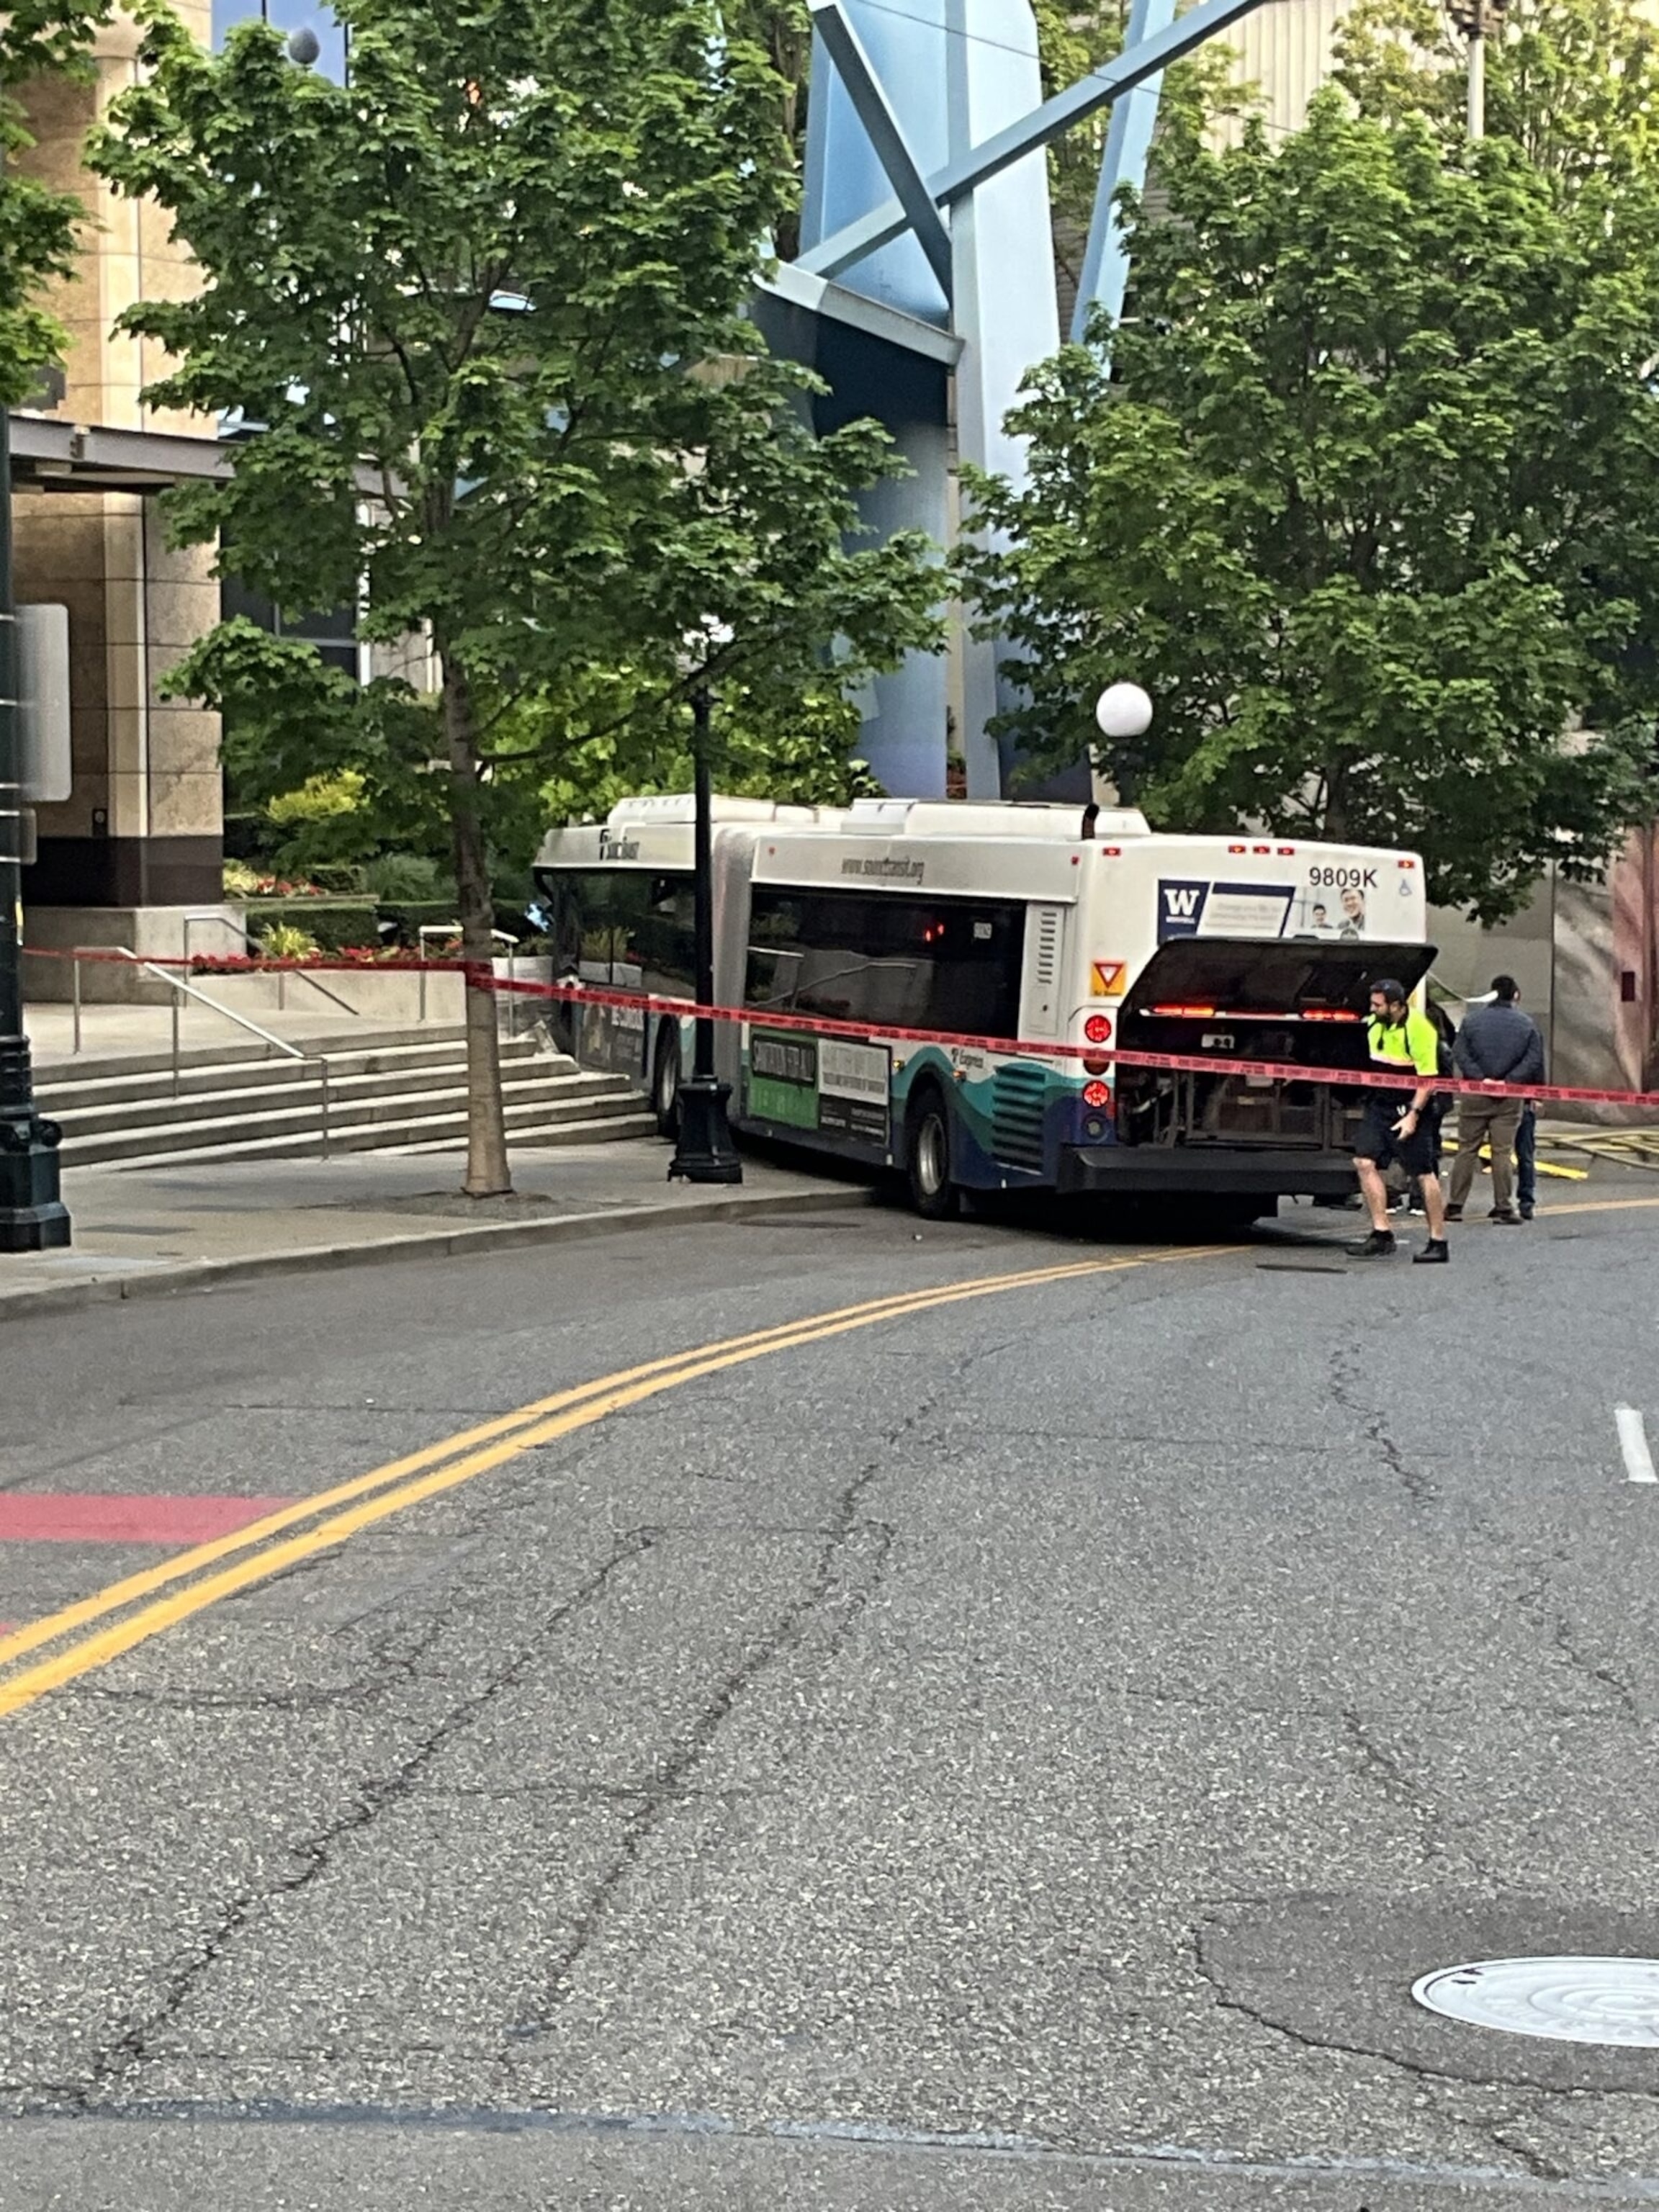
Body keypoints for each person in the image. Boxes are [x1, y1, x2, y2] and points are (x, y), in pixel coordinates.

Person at [1348, 979, 1450, 1262]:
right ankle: (1382, 1234)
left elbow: (1428, 1080)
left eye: (1377, 1005)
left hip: (1411, 1106)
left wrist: (1414, 1115)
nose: (1372, 1009)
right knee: (1364, 1161)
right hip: (1380, 1104)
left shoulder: (1419, 1030)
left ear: (1396, 1005)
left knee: (1422, 1173)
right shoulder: (1374, 1024)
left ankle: (1438, 1241)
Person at [1447, 975, 1543, 1225]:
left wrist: (1480, 1078)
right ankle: (1503, 1206)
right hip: (1509, 1099)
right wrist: (1510, 1081)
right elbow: (1534, 1059)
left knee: (1466, 1149)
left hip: (1476, 1094)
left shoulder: (1471, 1021)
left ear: (1491, 993)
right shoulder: (1526, 1024)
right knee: (1502, 1152)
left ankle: (1455, 1205)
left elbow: (1459, 1052)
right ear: (1516, 995)